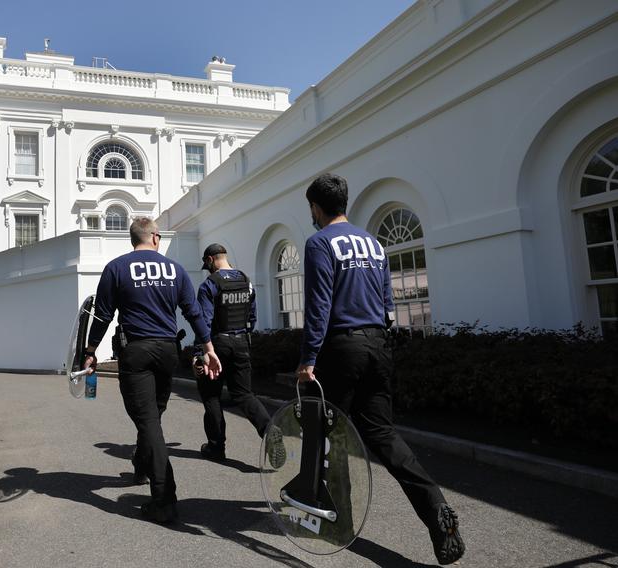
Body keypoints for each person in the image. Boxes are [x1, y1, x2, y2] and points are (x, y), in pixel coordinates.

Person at [296, 173, 466, 565]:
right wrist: (381, 341)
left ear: (316, 208)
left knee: (333, 433)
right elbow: (388, 300)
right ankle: (435, 510)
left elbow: (319, 306)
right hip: (377, 344)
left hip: (341, 347)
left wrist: (307, 359)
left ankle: (341, 521)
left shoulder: (319, 243)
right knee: (383, 435)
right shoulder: (373, 243)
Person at [82, 217, 221, 524]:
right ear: (155, 238)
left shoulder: (117, 268)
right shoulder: (175, 269)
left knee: (148, 421)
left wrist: (90, 351)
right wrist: (208, 348)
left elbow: (103, 315)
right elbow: (193, 312)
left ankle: (164, 498)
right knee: (153, 417)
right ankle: (143, 466)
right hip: (168, 351)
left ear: (134, 240)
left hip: (137, 352)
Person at [192, 243, 284, 468]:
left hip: (217, 345)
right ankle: (268, 429)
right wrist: (241, 337)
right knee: (244, 394)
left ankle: (216, 447)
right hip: (242, 342)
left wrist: (199, 353)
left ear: (212, 259)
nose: (208, 269)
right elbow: (252, 317)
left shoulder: (209, 285)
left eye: (207, 264)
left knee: (211, 396)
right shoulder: (246, 280)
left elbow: (204, 321)